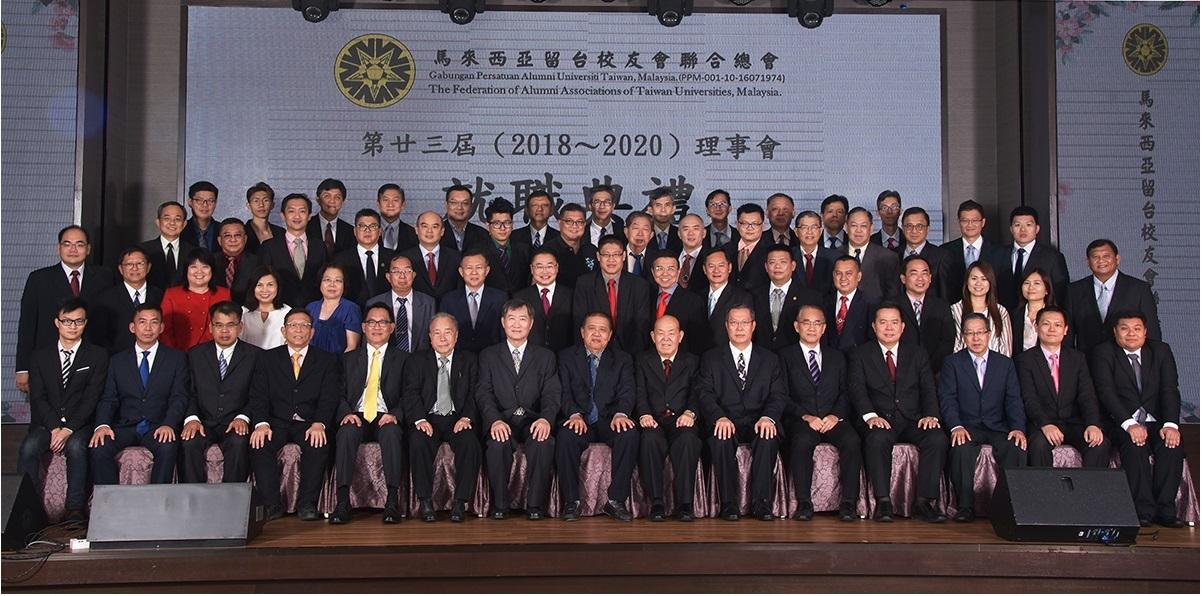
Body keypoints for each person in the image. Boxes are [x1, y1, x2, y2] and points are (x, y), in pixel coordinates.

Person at [849, 302, 947, 523]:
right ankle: (883, 502)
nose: (889, 328)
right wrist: (870, 416)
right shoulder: (861, 354)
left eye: (894, 322)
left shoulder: (917, 353)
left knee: (937, 438)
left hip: (912, 419)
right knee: (877, 438)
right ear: (874, 326)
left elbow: (928, 388)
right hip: (879, 419)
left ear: (903, 327)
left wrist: (931, 414)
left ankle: (924, 502)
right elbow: (856, 389)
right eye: (883, 322)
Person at [1092, 311, 1184, 528]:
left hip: (1156, 421)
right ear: (1115, 331)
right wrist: (1129, 423)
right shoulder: (1103, 352)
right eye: (1124, 328)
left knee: (1172, 447)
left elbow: (1170, 389)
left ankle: (1166, 510)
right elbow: (1106, 392)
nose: (1131, 333)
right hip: (1121, 422)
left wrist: (1171, 424)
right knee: (1135, 447)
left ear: (1145, 331)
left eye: (1137, 328)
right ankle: (1143, 510)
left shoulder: (1161, 350)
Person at [18, 298, 108, 521]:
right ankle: (24, 510)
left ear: (85, 323)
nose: (73, 326)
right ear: (57, 323)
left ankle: (75, 510)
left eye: (78, 321)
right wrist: (54, 427)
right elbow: (38, 396)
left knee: (77, 447)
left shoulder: (97, 355)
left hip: (80, 423)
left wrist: (68, 428)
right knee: (29, 448)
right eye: (67, 321)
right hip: (46, 423)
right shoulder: (40, 356)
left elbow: (92, 397)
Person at [695, 303, 786, 521]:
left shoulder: (770, 359)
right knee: (720, 437)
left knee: (768, 435)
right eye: (734, 322)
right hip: (727, 420)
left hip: (759, 420)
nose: (739, 328)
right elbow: (704, 393)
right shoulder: (711, 358)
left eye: (744, 322)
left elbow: (779, 395)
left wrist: (768, 417)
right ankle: (728, 503)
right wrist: (719, 417)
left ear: (753, 326)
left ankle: (761, 503)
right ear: (726, 326)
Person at [249, 309, 342, 521]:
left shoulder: (326, 360)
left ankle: (307, 503)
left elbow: (330, 397)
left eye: (304, 326)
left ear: (312, 332)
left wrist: (320, 423)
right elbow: (258, 395)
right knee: (259, 444)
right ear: (283, 330)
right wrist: (261, 423)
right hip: (276, 422)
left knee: (318, 444)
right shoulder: (267, 359)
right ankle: (271, 504)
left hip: (309, 422)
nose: (298, 330)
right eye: (293, 325)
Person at [938, 313, 1026, 522]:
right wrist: (955, 426)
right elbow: (947, 399)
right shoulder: (952, 363)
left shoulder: (1005, 364)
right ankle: (965, 507)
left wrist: (1017, 427)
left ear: (989, 334)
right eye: (970, 333)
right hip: (967, 426)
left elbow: (1014, 399)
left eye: (980, 333)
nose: (975, 338)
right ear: (963, 336)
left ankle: (1010, 507)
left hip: (997, 426)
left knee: (1015, 447)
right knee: (960, 449)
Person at [476, 305, 561, 520]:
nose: (516, 324)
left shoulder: (546, 356)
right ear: (503, 322)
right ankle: (501, 505)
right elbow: (483, 393)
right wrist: (494, 420)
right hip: (502, 419)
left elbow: (552, 394)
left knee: (544, 442)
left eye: (522, 319)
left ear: (531, 324)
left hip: (533, 419)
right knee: (496, 444)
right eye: (511, 319)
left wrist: (545, 419)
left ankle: (534, 505)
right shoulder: (488, 355)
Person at [89, 304, 189, 486]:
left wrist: (169, 424)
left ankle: (158, 504)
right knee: (100, 446)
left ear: (162, 327)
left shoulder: (176, 359)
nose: (148, 328)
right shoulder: (117, 361)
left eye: (154, 323)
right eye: (142, 322)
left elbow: (179, 396)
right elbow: (109, 398)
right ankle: (112, 503)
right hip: (126, 426)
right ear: (132, 327)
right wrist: (102, 424)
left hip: (158, 426)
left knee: (168, 447)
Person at [779, 305, 860, 522]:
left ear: (824, 328)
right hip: (802, 419)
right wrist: (806, 416)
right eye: (807, 323)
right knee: (801, 442)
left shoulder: (837, 357)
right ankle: (804, 503)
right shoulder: (784, 357)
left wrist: (835, 416)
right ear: (797, 326)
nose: (812, 328)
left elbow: (846, 392)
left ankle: (849, 503)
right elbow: (781, 395)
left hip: (833, 418)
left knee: (852, 440)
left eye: (817, 323)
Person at [556, 312, 640, 522]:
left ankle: (615, 500)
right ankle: (572, 502)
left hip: (609, 420)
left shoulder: (622, 359)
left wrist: (621, 413)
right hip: (580, 419)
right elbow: (563, 392)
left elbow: (628, 391)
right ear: (582, 332)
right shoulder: (566, 357)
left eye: (603, 330)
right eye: (592, 328)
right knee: (566, 436)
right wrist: (574, 414)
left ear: (610, 335)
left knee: (629, 434)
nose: (597, 334)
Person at [330, 304, 408, 524]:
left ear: (392, 327)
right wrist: (346, 412)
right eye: (371, 322)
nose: (377, 327)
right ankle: (343, 501)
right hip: (357, 414)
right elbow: (337, 392)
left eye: (383, 322)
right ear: (363, 327)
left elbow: (409, 394)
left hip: (386, 415)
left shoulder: (404, 359)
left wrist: (395, 414)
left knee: (392, 433)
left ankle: (392, 501)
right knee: (345, 433)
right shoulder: (348, 359)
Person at [402, 312, 481, 523]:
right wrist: (419, 419)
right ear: (429, 336)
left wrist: (466, 418)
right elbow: (410, 393)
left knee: (470, 442)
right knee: (418, 441)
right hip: (429, 418)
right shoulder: (416, 361)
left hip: (458, 418)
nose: (443, 338)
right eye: (437, 333)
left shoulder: (470, 360)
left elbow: (476, 393)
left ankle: (460, 502)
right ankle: (425, 501)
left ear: (456, 336)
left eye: (448, 333)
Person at [17, 226, 113, 393]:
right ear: (58, 248)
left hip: (93, 363)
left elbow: (112, 323)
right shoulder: (39, 279)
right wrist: (23, 368)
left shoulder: (105, 276)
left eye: (80, 244)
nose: (73, 249)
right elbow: (27, 326)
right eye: (67, 244)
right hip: (49, 363)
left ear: (88, 249)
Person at [1016, 306, 1109, 469]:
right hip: (1042, 424)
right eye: (1046, 324)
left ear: (1065, 330)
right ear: (1036, 327)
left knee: (1099, 444)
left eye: (1058, 325)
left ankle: (1089, 494)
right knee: (1038, 445)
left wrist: (1093, 424)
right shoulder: (1025, 360)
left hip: (1073, 422)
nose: (1052, 329)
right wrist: (1045, 424)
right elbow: (1028, 398)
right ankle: (1045, 495)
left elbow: (1087, 396)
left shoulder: (1077, 358)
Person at [180, 302, 260, 484]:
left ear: (240, 327)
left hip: (235, 421)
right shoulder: (195, 354)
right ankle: (193, 499)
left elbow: (258, 394)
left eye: (230, 325)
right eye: (219, 325)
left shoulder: (256, 356)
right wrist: (192, 418)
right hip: (203, 421)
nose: (224, 331)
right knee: (189, 442)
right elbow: (188, 392)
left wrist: (243, 417)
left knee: (239, 443)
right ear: (210, 327)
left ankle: (233, 501)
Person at [635, 315, 702, 522]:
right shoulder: (641, 360)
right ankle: (656, 502)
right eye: (661, 333)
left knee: (688, 440)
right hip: (652, 419)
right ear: (653, 336)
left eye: (671, 333)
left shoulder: (692, 361)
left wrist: (690, 412)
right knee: (649, 440)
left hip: (681, 419)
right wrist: (644, 413)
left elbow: (698, 392)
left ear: (680, 336)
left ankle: (685, 504)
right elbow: (638, 391)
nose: (666, 338)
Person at [1066, 239, 1161, 354]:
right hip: (1087, 362)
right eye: (1095, 257)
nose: (1101, 260)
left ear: (1117, 259)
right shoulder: (1074, 291)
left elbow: (1151, 329)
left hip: (1126, 363)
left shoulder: (1139, 289)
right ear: (1088, 261)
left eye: (1106, 256)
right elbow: (1068, 333)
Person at [572, 236, 652, 355]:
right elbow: (579, 321)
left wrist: (634, 355)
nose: (611, 259)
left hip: (630, 353)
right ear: (598, 257)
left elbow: (642, 325)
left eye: (616, 254)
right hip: (594, 351)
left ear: (624, 256)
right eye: (606, 255)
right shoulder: (584, 283)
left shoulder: (639, 285)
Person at [258, 193, 326, 307]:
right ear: (283, 216)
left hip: (314, 309)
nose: (297, 216)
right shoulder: (269, 247)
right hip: (280, 309)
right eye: (291, 211)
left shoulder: (320, 246)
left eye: (302, 211)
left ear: (309, 216)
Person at [93, 246, 161, 355]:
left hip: (155, 359)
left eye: (140, 264)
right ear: (120, 269)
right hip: (116, 360)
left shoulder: (161, 295)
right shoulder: (105, 298)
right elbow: (99, 337)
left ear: (148, 267)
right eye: (129, 264)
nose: (135, 268)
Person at [160, 248, 232, 351]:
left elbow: (228, 328)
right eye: (193, 267)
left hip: (213, 354)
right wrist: (175, 355)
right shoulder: (172, 294)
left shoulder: (224, 294)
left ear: (212, 270)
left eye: (205, 267)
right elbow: (165, 330)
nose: (199, 272)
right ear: (186, 270)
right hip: (179, 353)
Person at [752, 245, 821, 351]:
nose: (777, 267)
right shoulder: (754, 295)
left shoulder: (809, 297)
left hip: (794, 359)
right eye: (772, 262)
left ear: (793, 266)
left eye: (783, 262)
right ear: (766, 267)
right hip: (762, 359)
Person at [999, 206, 1069, 310]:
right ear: (1011, 229)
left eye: (1028, 225)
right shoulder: (998, 253)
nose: (1023, 229)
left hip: (1039, 317)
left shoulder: (1052, 257)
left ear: (1037, 229)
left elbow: (1061, 292)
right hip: (1004, 315)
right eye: (1017, 225)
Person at [895, 254, 957, 371]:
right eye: (914, 274)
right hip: (901, 372)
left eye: (924, 273)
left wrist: (928, 368)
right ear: (903, 279)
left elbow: (947, 341)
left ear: (930, 278)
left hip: (935, 372)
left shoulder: (941, 306)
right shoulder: (892, 306)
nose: (920, 278)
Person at [941, 200, 1009, 301]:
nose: (970, 224)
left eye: (975, 220)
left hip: (989, 310)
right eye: (965, 221)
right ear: (959, 222)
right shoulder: (945, 251)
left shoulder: (1000, 252)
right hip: (953, 310)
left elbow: (1004, 287)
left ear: (983, 222)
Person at [439, 249, 505, 352]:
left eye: (478, 267)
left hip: (491, 357)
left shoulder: (500, 298)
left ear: (487, 270)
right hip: (459, 358)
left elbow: (503, 333)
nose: (474, 272)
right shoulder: (449, 300)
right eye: (469, 268)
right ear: (461, 272)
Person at [368, 254, 435, 353]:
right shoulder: (374, 303)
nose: (402, 276)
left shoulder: (428, 302)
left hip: (419, 360)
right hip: (386, 360)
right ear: (388, 277)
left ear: (413, 275)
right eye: (396, 271)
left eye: (407, 271)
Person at [514, 249, 574, 353]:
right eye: (539, 267)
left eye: (549, 266)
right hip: (532, 355)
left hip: (564, 354)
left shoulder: (571, 294)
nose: (545, 271)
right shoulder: (520, 296)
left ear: (557, 268)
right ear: (532, 269)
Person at [332, 209, 393, 310]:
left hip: (385, 315)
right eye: (362, 226)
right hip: (351, 312)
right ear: (355, 231)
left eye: (372, 226)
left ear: (380, 231)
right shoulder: (341, 259)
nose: (367, 230)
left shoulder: (391, 258)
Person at [648, 254, 708, 356]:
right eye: (659, 268)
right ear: (653, 272)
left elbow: (697, 341)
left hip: (683, 364)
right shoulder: (647, 297)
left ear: (678, 272)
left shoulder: (693, 301)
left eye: (670, 269)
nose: (665, 273)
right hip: (649, 362)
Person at [950, 261, 1012, 356]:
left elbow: (1006, 349)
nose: (978, 283)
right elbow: (953, 345)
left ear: (990, 282)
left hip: (995, 367)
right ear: (967, 281)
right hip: (962, 367)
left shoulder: (1001, 311)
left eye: (984, 279)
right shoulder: (954, 310)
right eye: (974, 278)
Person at [844, 207, 900, 303]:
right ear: (846, 227)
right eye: (854, 226)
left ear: (871, 228)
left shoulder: (888, 257)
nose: (858, 230)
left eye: (863, 226)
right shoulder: (834, 255)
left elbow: (893, 296)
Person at [701, 249, 752, 354]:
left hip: (726, 358)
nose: (716, 270)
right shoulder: (697, 296)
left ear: (729, 268)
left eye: (721, 265)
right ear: (704, 269)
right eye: (711, 266)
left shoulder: (742, 297)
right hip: (699, 356)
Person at [403, 211, 462, 300]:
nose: (429, 231)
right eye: (424, 226)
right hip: (417, 311)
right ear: (416, 230)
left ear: (442, 231)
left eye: (435, 227)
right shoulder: (405, 258)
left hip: (448, 311)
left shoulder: (456, 258)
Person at [899, 207, 954, 301]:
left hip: (930, 313)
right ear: (903, 228)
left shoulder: (941, 256)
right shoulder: (892, 255)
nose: (914, 231)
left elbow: (944, 293)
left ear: (928, 229)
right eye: (909, 226)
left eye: (919, 226)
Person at [305, 263, 362, 354]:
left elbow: (352, 347)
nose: (332, 285)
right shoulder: (310, 308)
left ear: (344, 285)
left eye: (338, 281)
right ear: (320, 283)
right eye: (327, 280)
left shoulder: (351, 309)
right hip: (311, 363)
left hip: (339, 364)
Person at [824, 256, 875, 352]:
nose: (843, 278)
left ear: (859, 276)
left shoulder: (870, 303)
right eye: (839, 273)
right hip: (830, 362)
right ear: (833, 275)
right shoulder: (823, 302)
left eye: (849, 273)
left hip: (859, 361)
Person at [482, 198, 532, 293]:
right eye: (496, 223)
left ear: (512, 224)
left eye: (507, 223)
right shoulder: (479, 251)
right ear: (488, 226)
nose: (503, 228)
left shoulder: (524, 250)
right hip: (491, 305)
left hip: (520, 304)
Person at [141, 201, 194, 289]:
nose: (172, 223)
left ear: (184, 224)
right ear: (158, 222)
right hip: (152, 301)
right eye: (167, 218)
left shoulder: (193, 252)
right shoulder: (143, 250)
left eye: (177, 219)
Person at [544, 202, 598, 283]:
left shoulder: (591, 250)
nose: (574, 226)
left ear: (584, 224)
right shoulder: (547, 251)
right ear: (559, 223)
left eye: (579, 222)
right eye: (569, 221)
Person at [239, 269, 291, 350]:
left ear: (278, 286)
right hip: (249, 360)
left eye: (270, 285)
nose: (264, 290)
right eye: (259, 285)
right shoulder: (242, 312)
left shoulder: (288, 312)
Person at [791, 211, 838, 297]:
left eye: (814, 227)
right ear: (796, 232)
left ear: (820, 231)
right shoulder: (788, 256)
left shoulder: (834, 257)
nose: (809, 232)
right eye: (804, 227)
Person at [724, 204, 771, 290]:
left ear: (762, 226)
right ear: (737, 225)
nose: (750, 228)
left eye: (755, 224)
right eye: (744, 223)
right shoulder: (725, 250)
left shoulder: (771, 251)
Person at [215, 218, 261, 304]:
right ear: (219, 240)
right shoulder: (209, 262)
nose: (233, 240)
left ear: (245, 239)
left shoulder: (257, 262)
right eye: (227, 236)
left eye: (238, 235)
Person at [307, 178, 355, 260]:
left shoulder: (350, 231)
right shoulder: (306, 226)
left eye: (337, 197)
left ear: (343, 202)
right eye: (327, 196)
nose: (332, 201)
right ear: (318, 200)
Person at [1011, 268, 1055, 357]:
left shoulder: (1056, 316)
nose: (1031, 287)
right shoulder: (1013, 315)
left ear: (1047, 289)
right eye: (1026, 283)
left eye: (1037, 283)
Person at [441, 184, 491, 253]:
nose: (459, 207)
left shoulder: (482, 234)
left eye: (465, 203)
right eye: (454, 203)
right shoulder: (435, 232)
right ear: (446, 205)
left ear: (471, 206)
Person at [242, 182, 283, 255]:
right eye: (256, 201)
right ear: (248, 205)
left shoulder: (281, 232)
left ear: (272, 205)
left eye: (266, 200)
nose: (261, 205)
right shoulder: (242, 232)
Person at [376, 183, 419, 252]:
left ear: (403, 205)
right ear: (378, 204)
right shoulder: (367, 231)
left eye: (395, 200)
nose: (390, 204)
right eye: (386, 200)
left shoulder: (413, 234)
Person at [182, 181, 220, 253]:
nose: (205, 205)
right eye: (199, 200)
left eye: (210, 201)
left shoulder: (223, 230)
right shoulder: (181, 230)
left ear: (215, 203)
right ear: (190, 202)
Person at [674, 214, 708, 294]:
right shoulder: (671, 256)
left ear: (704, 233)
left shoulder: (710, 258)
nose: (691, 233)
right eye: (686, 229)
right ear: (679, 234)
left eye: (696, 229)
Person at [647, 189, 682, 255]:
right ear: (650, 210)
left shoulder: (680, 234)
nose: (663, 210)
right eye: (658, 205)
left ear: (673, 209)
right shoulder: (644, 234)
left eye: (667, 205)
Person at [623, 212, 657, 281]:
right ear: (626, 232)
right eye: (635, 228)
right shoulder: (616, 256)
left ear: (651, 235)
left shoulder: (657, 258)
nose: (640, 234)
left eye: (645, 229)